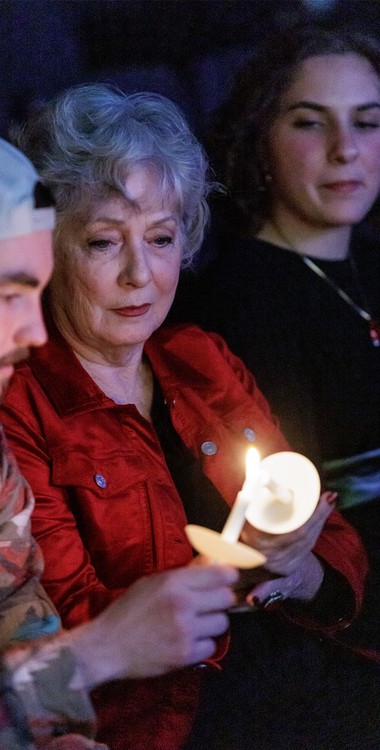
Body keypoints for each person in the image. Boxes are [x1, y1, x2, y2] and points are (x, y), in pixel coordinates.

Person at [0, 84, 377, 750]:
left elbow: (337, 544)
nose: (140, 274)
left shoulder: (200, 358)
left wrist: (294, 570)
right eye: (103, 243)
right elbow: (59, 633)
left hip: (303, 679)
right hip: (168, 723)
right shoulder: (17, 404)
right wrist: (227, 580)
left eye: (162, 238)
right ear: (46, 252)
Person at [0, 116, 241, 750]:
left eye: (39, 292)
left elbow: (18, 644)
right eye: (8, 294)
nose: (35, 332)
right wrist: (99, 650)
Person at [169, 25, 380, 661]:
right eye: (311, 123)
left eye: (368, 122)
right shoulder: (235, 300)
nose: (346, 149)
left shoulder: (370, 259)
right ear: (260, 140)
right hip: (336, 612)